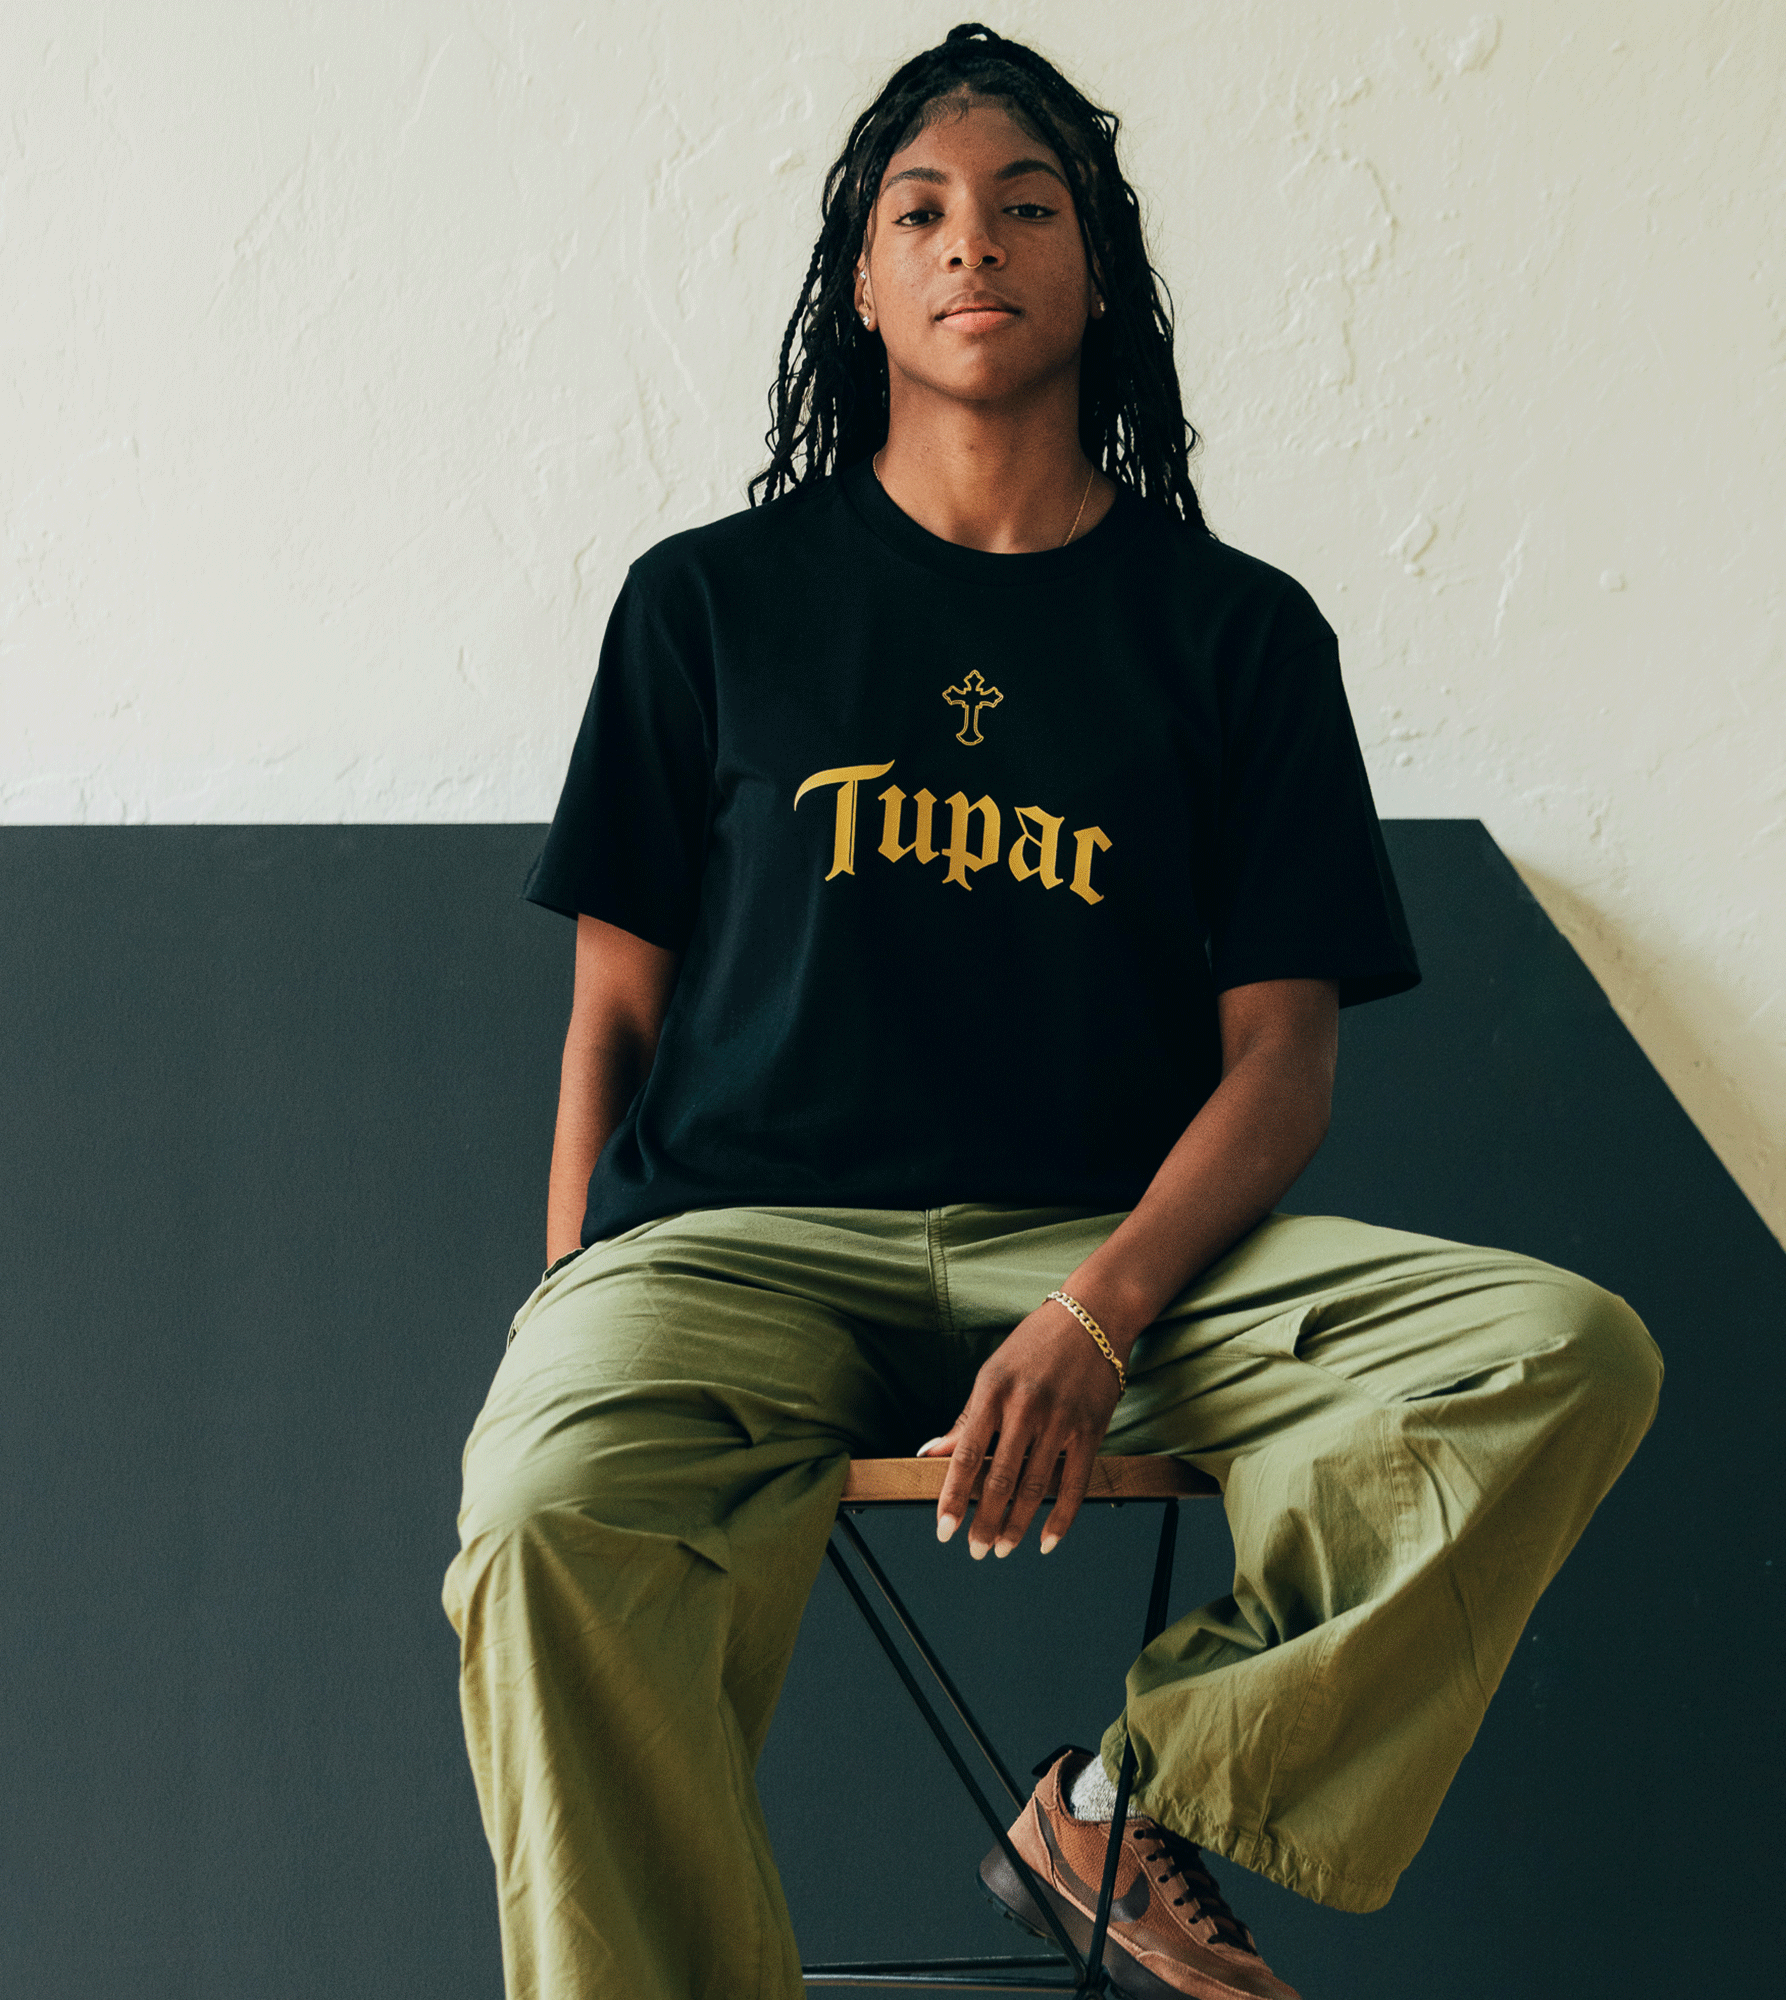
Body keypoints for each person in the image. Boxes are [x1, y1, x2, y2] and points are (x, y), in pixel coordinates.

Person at [442, 23, 1662, 2000]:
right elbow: (613, 1004)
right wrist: (575, 1288)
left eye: (1026, 206)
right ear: (857, 284)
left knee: (1550, 1354)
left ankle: (1131, 1794)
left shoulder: (1232, 632)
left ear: (1099, 268)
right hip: (742, 1245)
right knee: (543, 1498)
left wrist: (1100, 1310)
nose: (970, 243)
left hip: (1119, 1263)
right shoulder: (709, 604)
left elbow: (1285, 1060)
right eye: (917, 211)